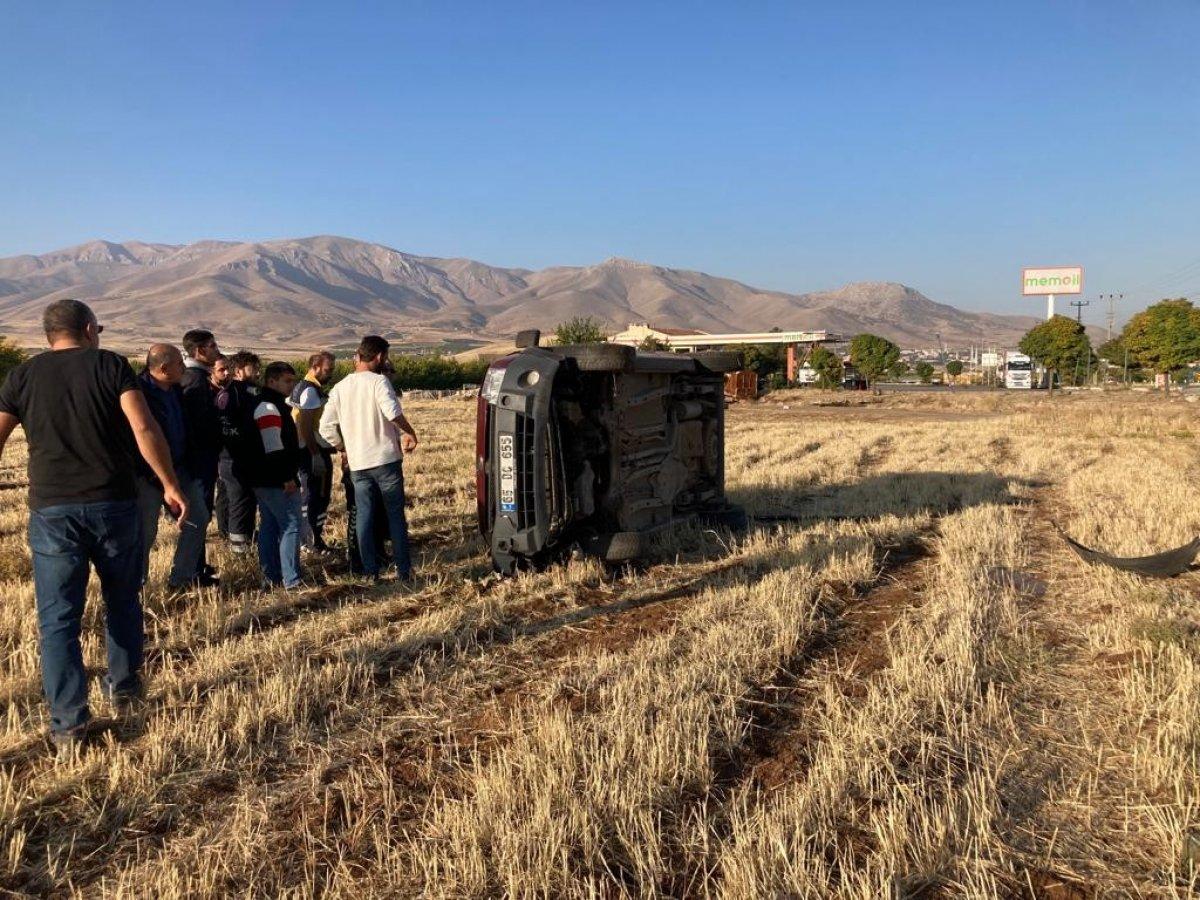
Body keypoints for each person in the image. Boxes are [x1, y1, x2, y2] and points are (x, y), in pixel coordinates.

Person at [0, 299, 188, 755]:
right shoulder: (108, 365)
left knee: (58, 618)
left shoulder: (22, 375)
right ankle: (124, 690)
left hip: (52, 510)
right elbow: (143, 428)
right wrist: (168, 483)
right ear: (88, 329)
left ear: (49, 334)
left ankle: (68, 723)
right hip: (113, 503)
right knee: (121, 599)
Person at [319, 336, 418, 581]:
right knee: (395, 516)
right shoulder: (379, 382)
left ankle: (369, 571)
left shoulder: (340, 387)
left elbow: (325, 427)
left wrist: (344, 448)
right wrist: (409, 431)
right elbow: (392, 412)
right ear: (379, 357)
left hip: (358, 464)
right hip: (385, 460)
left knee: (364, 516)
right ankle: (403, 570)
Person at [134, 344, 201, 585]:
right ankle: (135, 587)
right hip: (148, 475)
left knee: (198, 517)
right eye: (179, 364)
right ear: (164, 368)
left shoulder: (176, 390)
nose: (184, 367)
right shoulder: (136, 393)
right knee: (145, 532)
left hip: (181, 467)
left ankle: (182, 577)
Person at [246, 362, 304, 588]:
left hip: (264, 477)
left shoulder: (270, 405)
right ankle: (291, 579)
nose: (292, 386)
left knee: (269, 525)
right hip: (275, 478)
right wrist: (286, 477)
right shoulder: (269, 408)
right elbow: (273, 447)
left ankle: (271, 577)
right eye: (287, 381)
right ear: (272, 381)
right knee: (291, 525)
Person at [178, 328, 223, 587]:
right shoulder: (194, 380)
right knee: (198, 516)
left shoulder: (193, 377)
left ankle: (196, 567)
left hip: (199, 459)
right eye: (213, 346)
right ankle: (191, 573)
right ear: (199, 351)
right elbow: (198, 425)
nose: (217, 350)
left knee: (201, 514)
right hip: (199, 461)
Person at [289, 351, 336, 553]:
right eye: (328, 370)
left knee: (313, 496)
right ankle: (312, 541)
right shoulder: (310, 391)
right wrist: (315, 454)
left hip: (306, 450)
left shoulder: (304, 387)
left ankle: (311, 540)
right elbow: (305, 426)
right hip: (310, 451)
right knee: (315, 497)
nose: (330, 374)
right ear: (315, 367)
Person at [215, 351, 261, 554]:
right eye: (253, 368)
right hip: (240, 459)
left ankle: (234, 541)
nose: (258, 372)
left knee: (234, 501)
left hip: (228, 458)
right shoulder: (246, 392)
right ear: (239, 370)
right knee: (241, 504)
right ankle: (240, 551)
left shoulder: (224, 393)